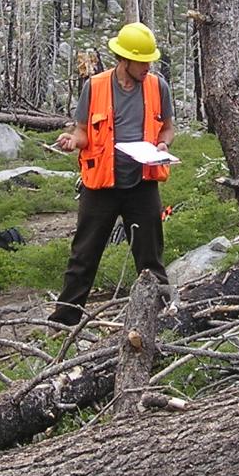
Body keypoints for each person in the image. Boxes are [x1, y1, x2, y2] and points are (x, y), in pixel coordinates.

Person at [49, 22, 175, 326]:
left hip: (142, 183)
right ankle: (63, 323)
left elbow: (169, 128)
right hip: (100, 186)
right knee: (83, 256)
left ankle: (162, 319)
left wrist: (162, 144)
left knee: (150, 259)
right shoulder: (95, 87)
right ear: (124, 59)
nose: (147, 66)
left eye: (149, 61)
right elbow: (81, 133)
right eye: (142, 61)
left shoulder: (159, 87)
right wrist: (71, 141)